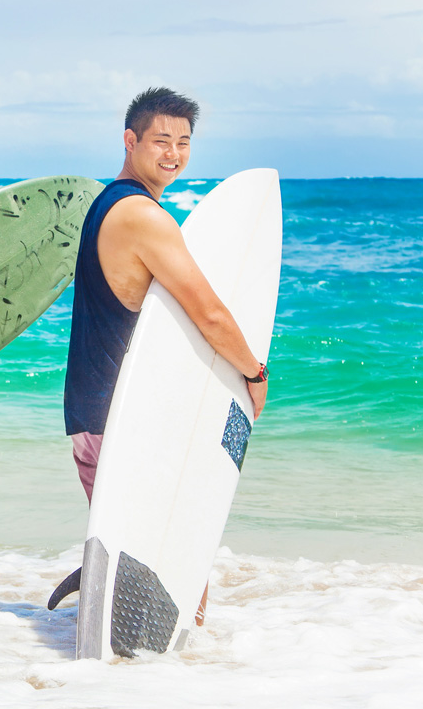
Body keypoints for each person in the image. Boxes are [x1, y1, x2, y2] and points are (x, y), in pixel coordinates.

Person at [62, 87, 269, 621]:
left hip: (96, 413)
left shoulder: (107, 203)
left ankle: (140, 678)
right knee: (174, 572)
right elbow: (211, 314)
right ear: (130, 141)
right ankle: (167, 686)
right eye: (161, 141)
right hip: (118, 419)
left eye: (183, 142)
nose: (173, 153)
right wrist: (254, 372)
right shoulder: (142, 217)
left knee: (153, 568)